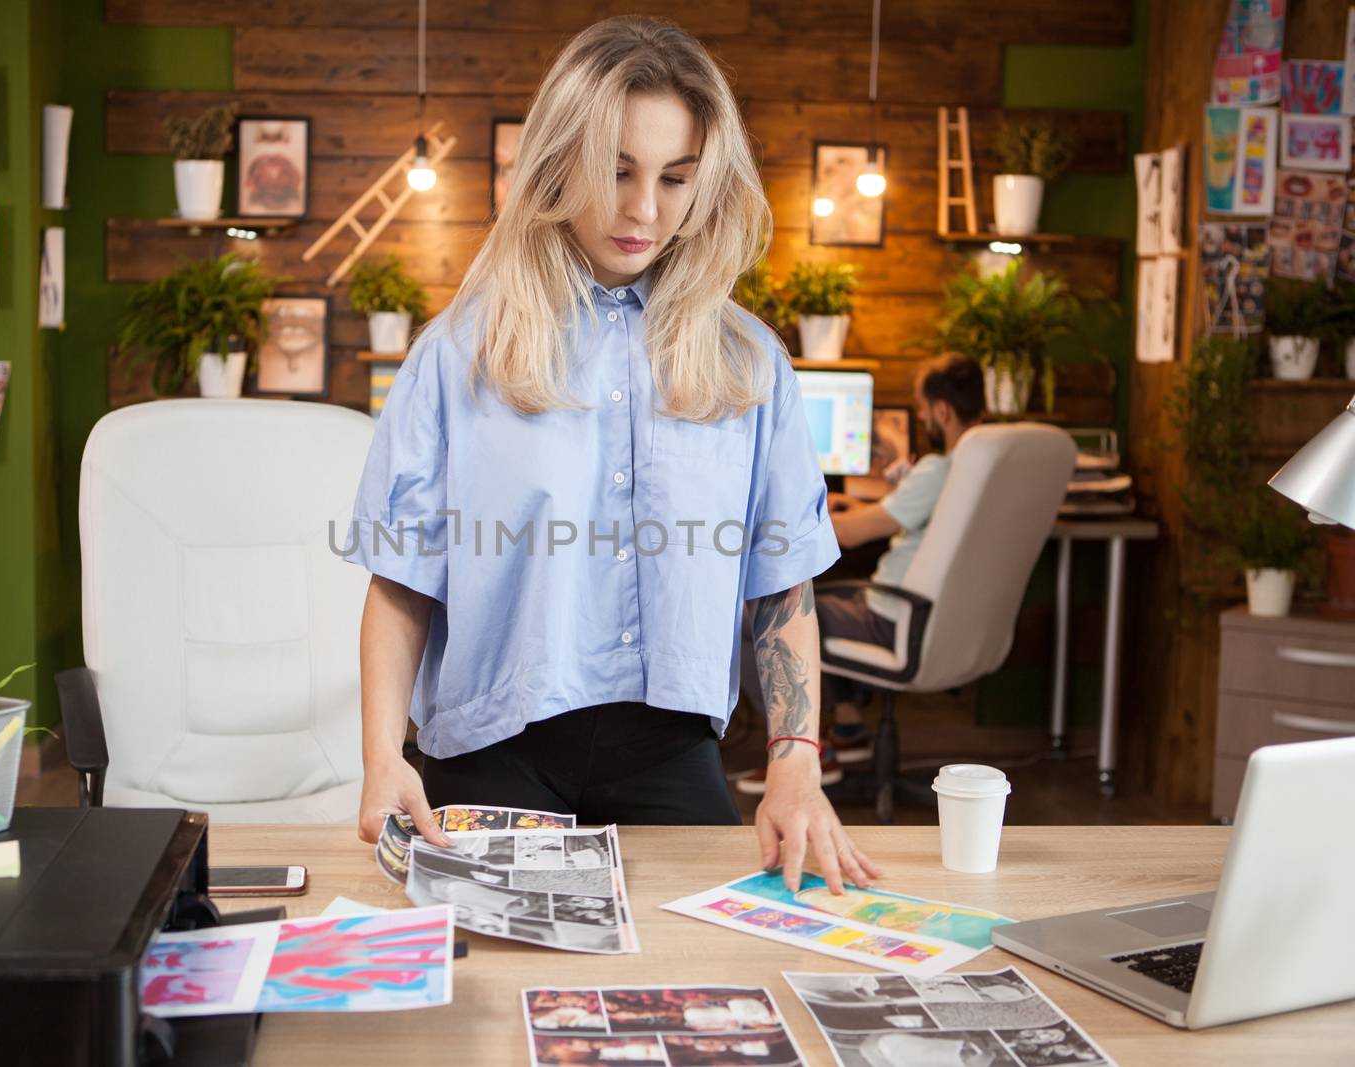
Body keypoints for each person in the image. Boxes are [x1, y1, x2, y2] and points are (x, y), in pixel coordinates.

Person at [343, 15, 881, 895]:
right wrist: (380, 757)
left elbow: (781, 583)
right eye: (617, 171)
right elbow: (402, 582)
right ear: (560, 162)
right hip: (489, 766)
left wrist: (795, 764)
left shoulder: (751, 364)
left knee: (708, 991)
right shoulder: (458, 353)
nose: (644, 210)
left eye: (675, 178)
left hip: (670, 761)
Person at [735, 353, 984, 795]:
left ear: (942, 410)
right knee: (829, 599)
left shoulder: (940, 468)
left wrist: (789, 518)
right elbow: (897, 513)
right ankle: (847, 730)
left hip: (893, 617)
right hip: (927, 615)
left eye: (923, 408)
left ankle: (802, 748)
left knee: (762, 620)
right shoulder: (975, 468)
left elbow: (851, 535)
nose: (922, 415)